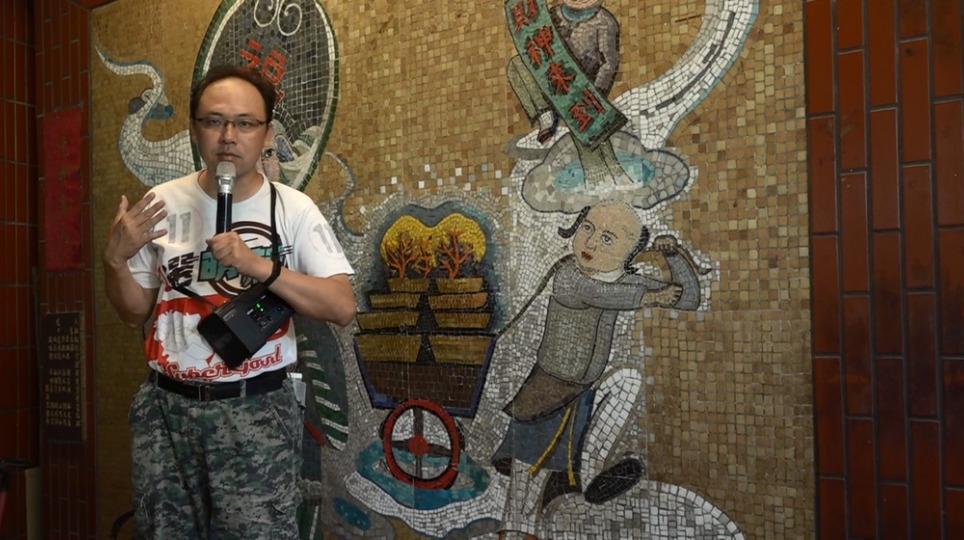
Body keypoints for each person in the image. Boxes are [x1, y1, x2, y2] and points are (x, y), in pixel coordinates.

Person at [102, 65, 356, 539]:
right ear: (194, 128)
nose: (228, 136)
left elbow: (341, 306)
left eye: (244, 123)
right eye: (214, 121)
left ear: (266, 134)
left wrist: (260, 266)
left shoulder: (293, 208)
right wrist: (115, 261)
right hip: (165, 411)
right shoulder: (161, 202)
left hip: (255, 410)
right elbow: (133, 310)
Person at [492, 201, 701, 539]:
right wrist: (650, 298)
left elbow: (688, 299)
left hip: (583, 393)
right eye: (587, 228)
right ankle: (517, 530)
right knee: (527, 484)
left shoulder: (624, 282)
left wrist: (673, 257)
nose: (590, 242)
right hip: (545, 395)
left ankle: (591, 476)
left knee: (627, 381)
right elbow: (599, 294)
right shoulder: (568, 276)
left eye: (607, 238)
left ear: (629, 252)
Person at [507, 0, 632, 187]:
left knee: (589, 135)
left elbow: (609, 64)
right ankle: (545, 114)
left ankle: (604, 179)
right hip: (553, 81)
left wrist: (596, 95)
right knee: (516, 65)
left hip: (581, 90)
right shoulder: (555, 14)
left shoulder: (604, 21)